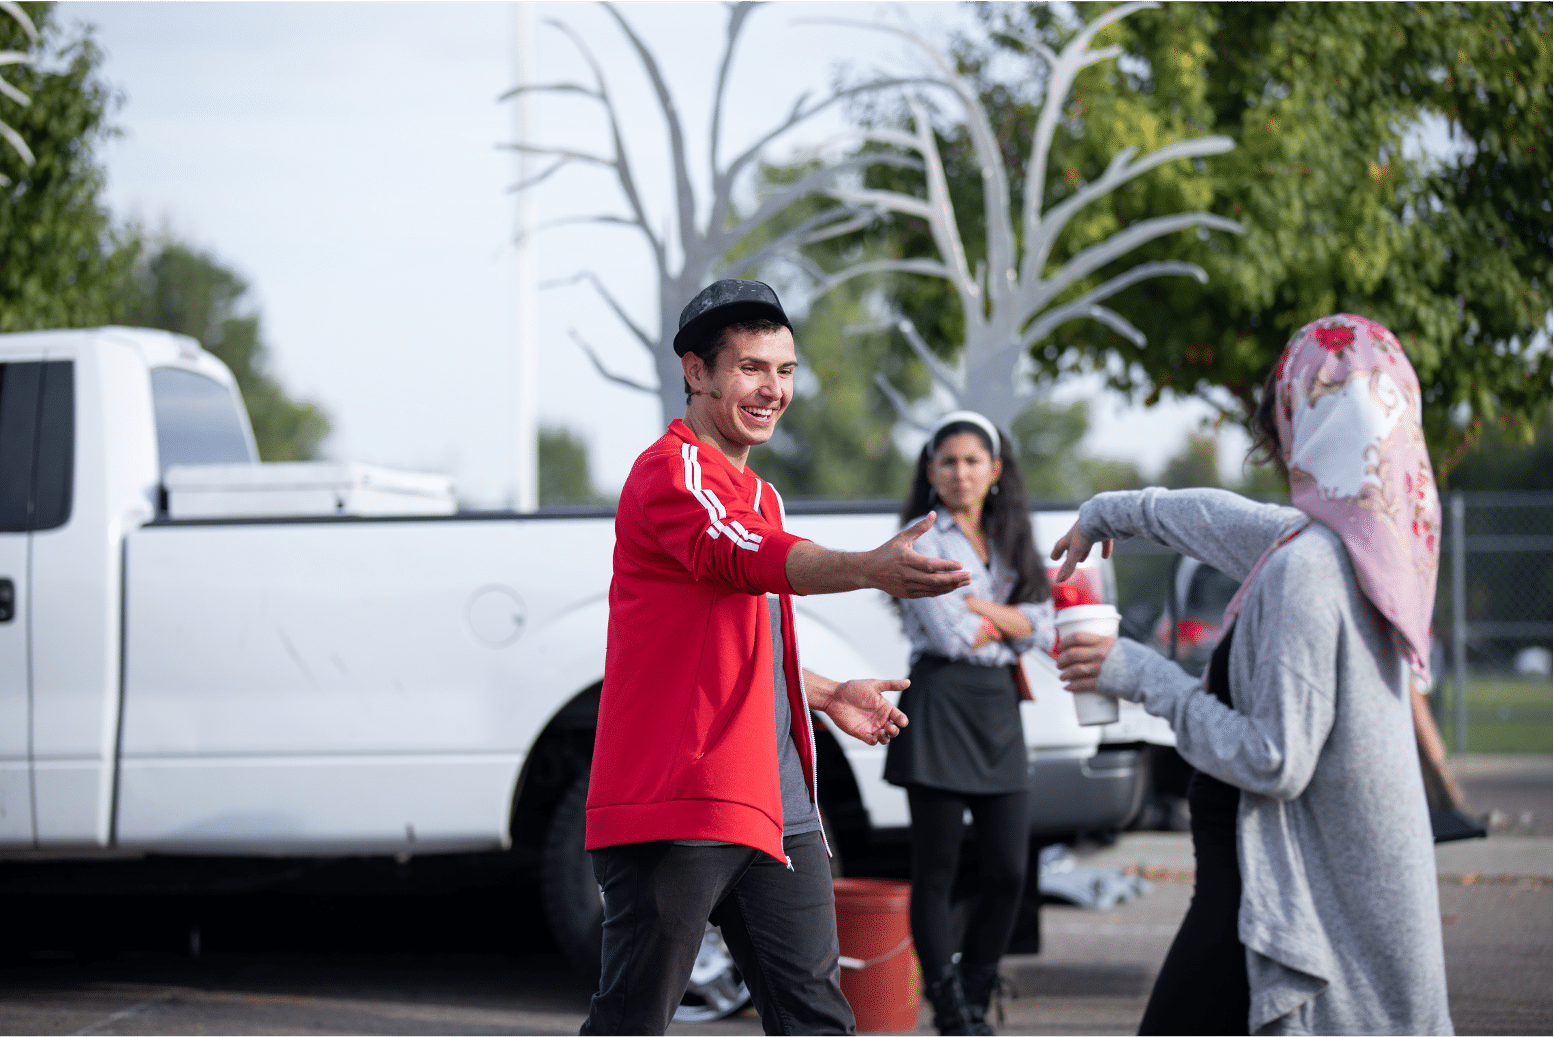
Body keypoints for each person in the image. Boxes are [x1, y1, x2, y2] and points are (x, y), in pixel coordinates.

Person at [581, 279, 971, 1037]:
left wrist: (821, 693)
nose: (773, 389)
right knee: (631, 1021)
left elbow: (734, 642)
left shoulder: (762, 493)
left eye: (786, 370)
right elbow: (743, 557)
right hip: (682, 799)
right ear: (698, 372)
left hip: (777, 799)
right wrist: (868, 566)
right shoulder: (671, 472)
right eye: (752, 368)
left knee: (817, 1017)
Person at [1051, 314, 1454, 1036]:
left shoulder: (1310, 568)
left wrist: (1139, 672)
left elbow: (1276, 759)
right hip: (1257, 894)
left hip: (1273, 907)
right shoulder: (1361, 544)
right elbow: (1220, 519)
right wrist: (1108, 512)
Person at [883, 411, 1055, 1037]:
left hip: (997, 707)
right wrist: (1011, 618)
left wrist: (983, 606)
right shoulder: (920, 538)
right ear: (930, 472)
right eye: (948, 461)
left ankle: (978, 993)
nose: (961, 472)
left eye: (973, 460)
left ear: (996, 471)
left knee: (1010, 868)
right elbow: (950, 634)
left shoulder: (1012, 538)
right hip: (942, 702)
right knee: (937, 868)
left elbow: (1048, 627)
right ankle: (952, 1012)